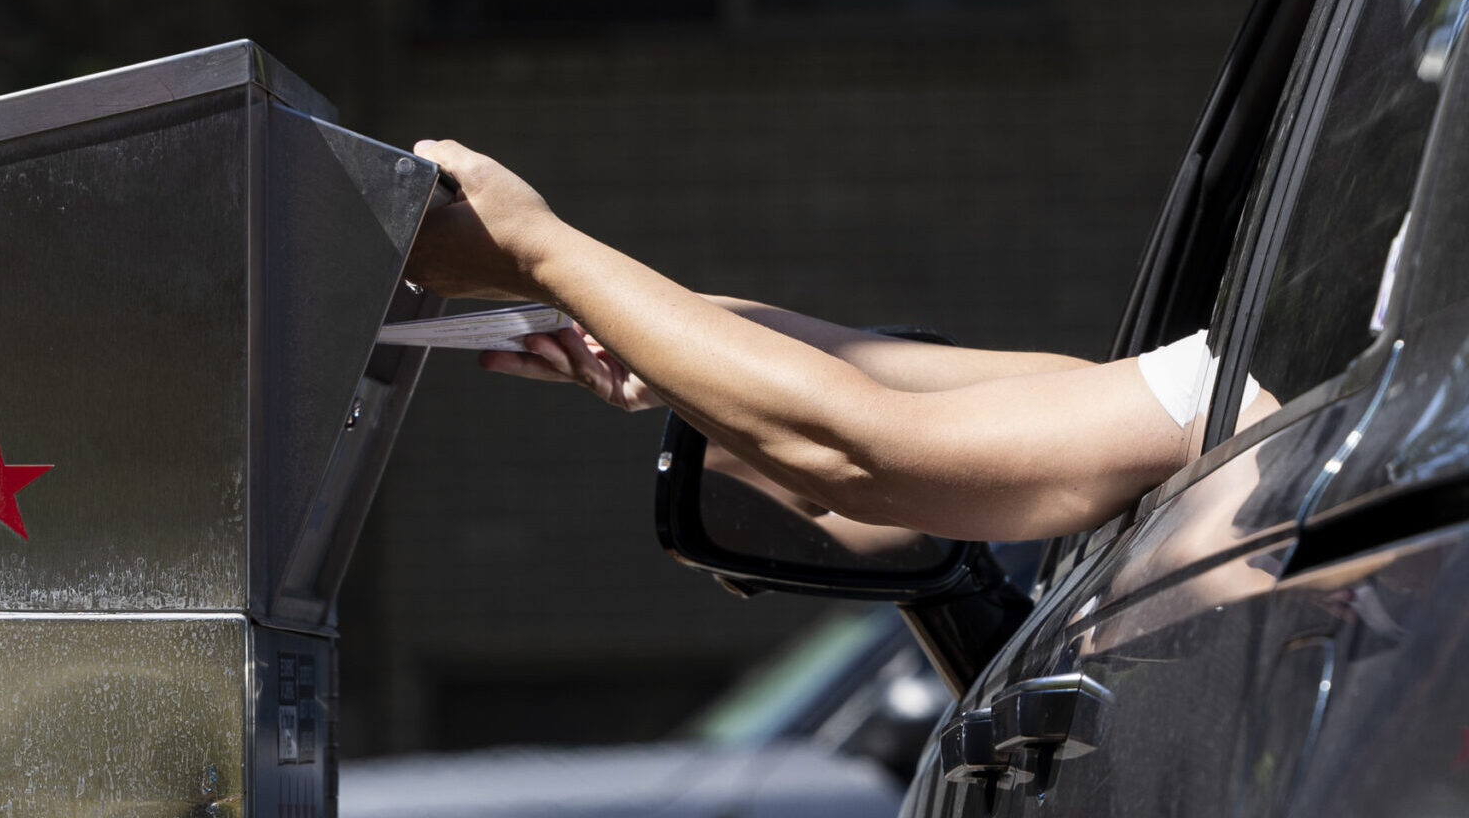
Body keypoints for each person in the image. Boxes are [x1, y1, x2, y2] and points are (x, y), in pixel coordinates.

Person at [402, 139, 1260, 543]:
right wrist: (654, 329)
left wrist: (537, 251)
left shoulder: (1297, 371)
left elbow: (869, 456)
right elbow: (1050, 391)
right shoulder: (1270, 371)